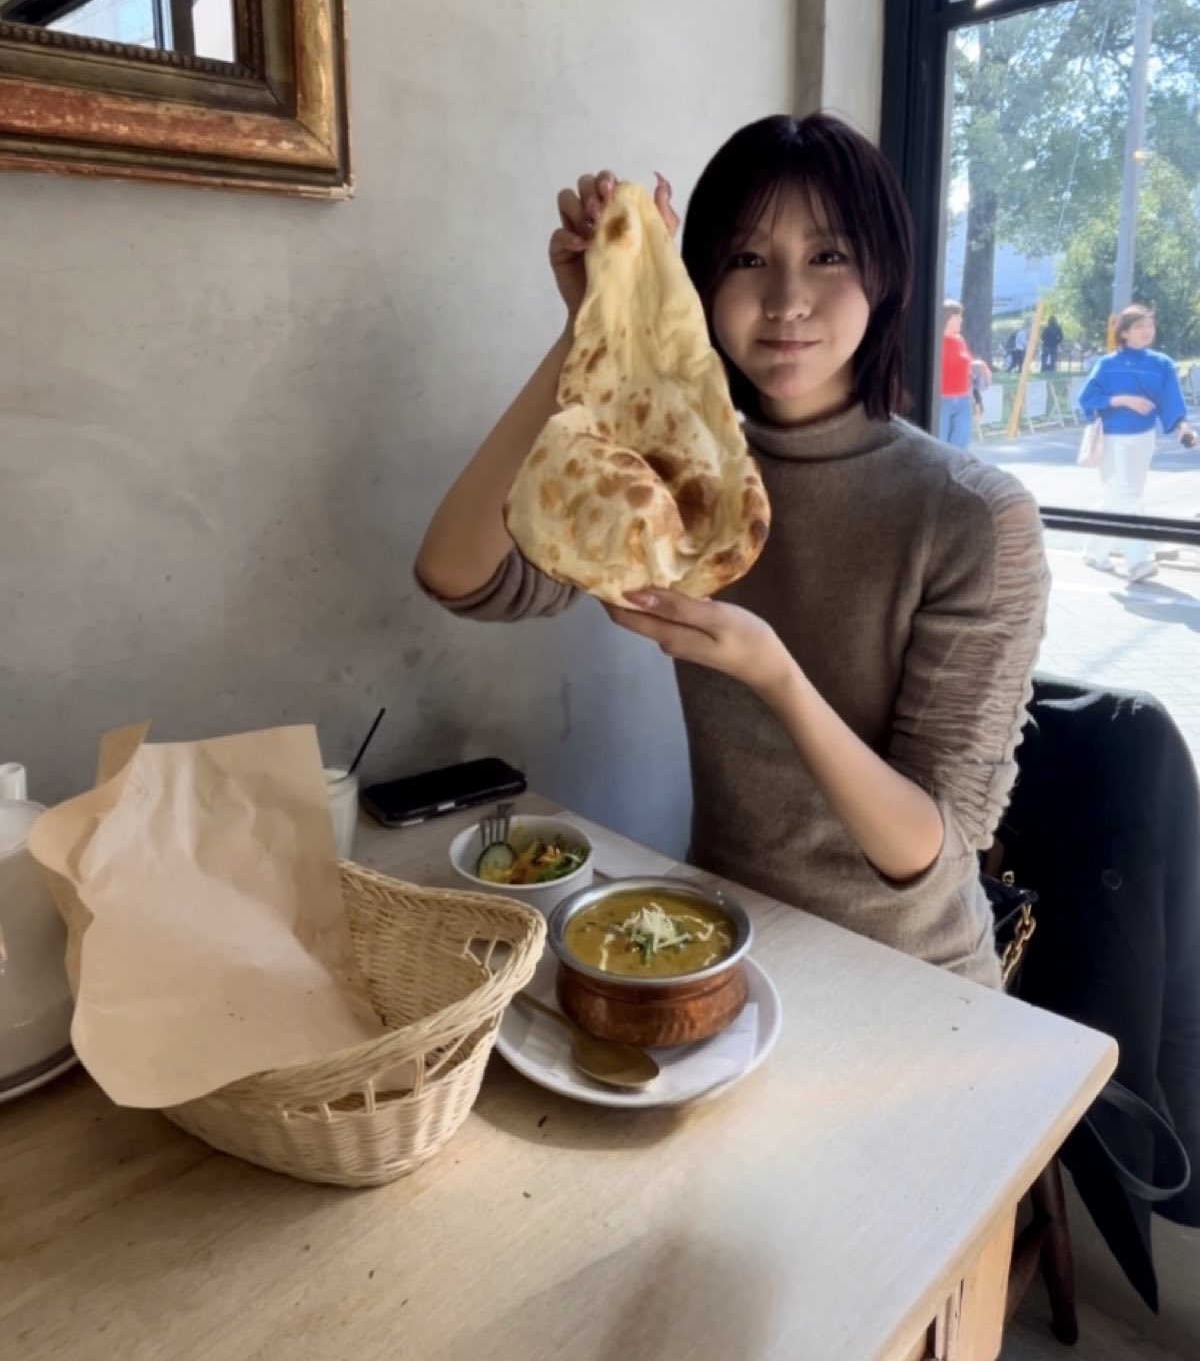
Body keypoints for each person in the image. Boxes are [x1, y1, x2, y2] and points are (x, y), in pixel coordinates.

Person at [415, 113, 1049, 988]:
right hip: (718, 938)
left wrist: (772, 674)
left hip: (910, 980)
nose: (786, 298)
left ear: (884, 274)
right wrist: (596, 317)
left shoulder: (975, 516)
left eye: (828, 255)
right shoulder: (672, 470)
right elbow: (457, 573)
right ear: (703, 280)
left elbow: (933, 852)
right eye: (748, 258)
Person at [1079, 304, 1198, 583]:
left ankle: (1094, 552)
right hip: (1112, 438)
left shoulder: (1162, 364)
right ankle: (1138, 560)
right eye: (1139, 326)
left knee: (1120, 497)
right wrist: (1123, 400)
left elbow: (1171, 401)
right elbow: (1087, 399)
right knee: (1127, 495)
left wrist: (1183, 427)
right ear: (1123, 333)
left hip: (1144, 439)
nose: (1147, 331)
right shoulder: (1107, 364)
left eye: (1150, 325)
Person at [940, 300, 989, 448]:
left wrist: (977, 400)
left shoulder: (960, 341)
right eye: (958, 316)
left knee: (960, 449)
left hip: (962, 400)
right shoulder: (936, 341)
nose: (961, 320)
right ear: (947, 318)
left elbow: (968, 373)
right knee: (939, 447)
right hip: (942, 400)